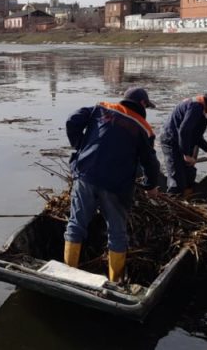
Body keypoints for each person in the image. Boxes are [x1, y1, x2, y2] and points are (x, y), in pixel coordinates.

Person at [64, 87, 163, 282]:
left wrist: (80, 146)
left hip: (86, 175)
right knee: (117, 233)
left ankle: (67, 274)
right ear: (143, 104)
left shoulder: (101, 108)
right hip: (116, 186)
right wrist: (151, 186)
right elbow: (151, 163)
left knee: (76, 225)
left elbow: (72, 120)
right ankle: (115, 281)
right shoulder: (144, 128)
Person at [159, 86, 207, 198]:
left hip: (183, 141)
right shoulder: (196, 107)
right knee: (177, 180)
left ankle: (185, 198)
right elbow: (184, 131)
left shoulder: (205, 108)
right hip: (171, 140)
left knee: (189, 174)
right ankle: (173, 202)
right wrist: (186, 154)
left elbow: (196, 135)